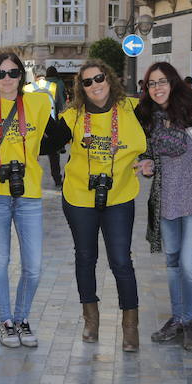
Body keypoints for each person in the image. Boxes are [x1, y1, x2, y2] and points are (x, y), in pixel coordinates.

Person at [48, 60, 147, 351]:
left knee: (121, 261)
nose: (94, 85)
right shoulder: (73, 117)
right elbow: (46, 142)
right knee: (85, 257)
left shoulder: (133, 108)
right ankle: (91, 319)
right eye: (87, 82)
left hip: (119, 196)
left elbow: (160, 132)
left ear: (109, 78)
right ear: (81, 88)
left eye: (99, 78)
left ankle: (130, 326)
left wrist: (149, 159)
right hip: (80, 197)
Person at [0, 52, 58, 348]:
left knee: (33, 266)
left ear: (23, 75)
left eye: (13, 73)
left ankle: (22, 318)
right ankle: (6, 321)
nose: (7, 79)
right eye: (0, 74)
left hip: (29, 191)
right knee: (0, 261)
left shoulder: (39, 102)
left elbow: (57, 136)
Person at [137, 62, 192, 352]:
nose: (157, 88)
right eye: (152, 84)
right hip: (166, 199)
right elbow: (146, 153)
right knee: (173, 262)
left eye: (162, 82)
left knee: (188, 264)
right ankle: (177, 318)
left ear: (173, 83)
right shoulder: (147, 116)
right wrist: (147, 165)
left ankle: (191, 321)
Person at [28, 66, 66, 187]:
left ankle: (31, 180)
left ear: (34, 75)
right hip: (50, 124)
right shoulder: (53, 86)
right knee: (54, 154)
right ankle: (57, 179)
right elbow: (60, 105)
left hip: (32, 125)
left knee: (31, 154)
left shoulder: (27, 88)